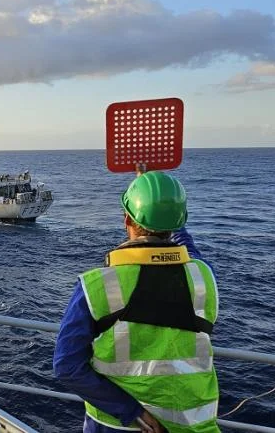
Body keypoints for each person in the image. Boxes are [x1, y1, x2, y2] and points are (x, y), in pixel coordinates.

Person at [53, 171, 220, 433]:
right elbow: (188, 246)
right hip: (192, 425)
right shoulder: (204, 275)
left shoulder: (96, 285)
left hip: (117, 426)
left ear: (127, 219)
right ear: (178, 222)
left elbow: (67, 366)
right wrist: (165, 208)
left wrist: (131, 411)